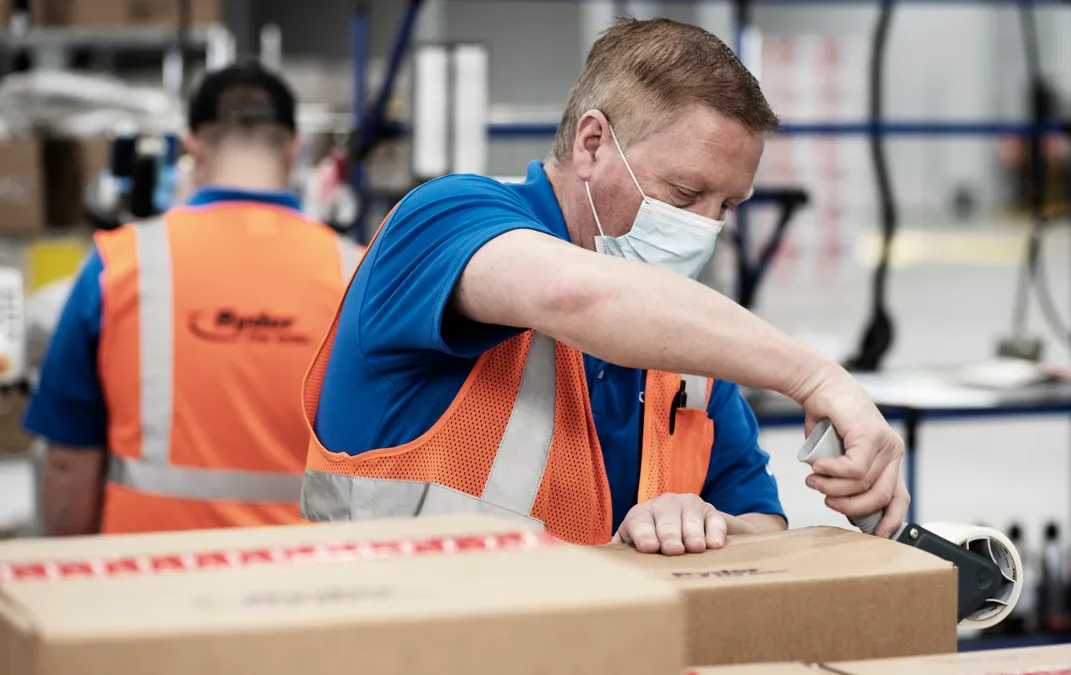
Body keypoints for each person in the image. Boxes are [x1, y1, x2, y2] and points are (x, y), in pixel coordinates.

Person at [300, 18, 909, 555]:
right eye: (684, 193)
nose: (704, 228)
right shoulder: (443, 221)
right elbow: (575, 296)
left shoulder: (689, 349)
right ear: (592, 144)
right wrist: (815, 376)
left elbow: (761, 523)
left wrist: (700, 524)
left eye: (726, 205)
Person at [25, 63, 362, 535]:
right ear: (295, 148)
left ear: (191, 147)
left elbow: (67, 462)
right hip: (309, 585)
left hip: (150, 581)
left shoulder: (118, 264)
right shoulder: (360, 274)